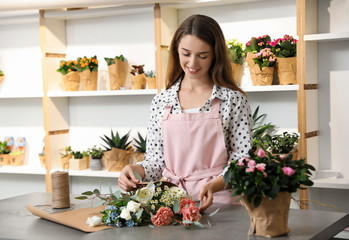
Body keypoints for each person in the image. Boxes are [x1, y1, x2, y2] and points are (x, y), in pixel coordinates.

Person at [118, 14, 253, 211]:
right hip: (172, 203)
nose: (193, 63)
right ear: (176, 52)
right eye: (186, 53)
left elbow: (243, 161)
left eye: (203, 55)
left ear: (215, 54)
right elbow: (156, 162)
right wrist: (135, 171)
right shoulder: (162, 102)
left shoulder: (232, 100)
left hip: (221, 203)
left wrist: (214, 186)